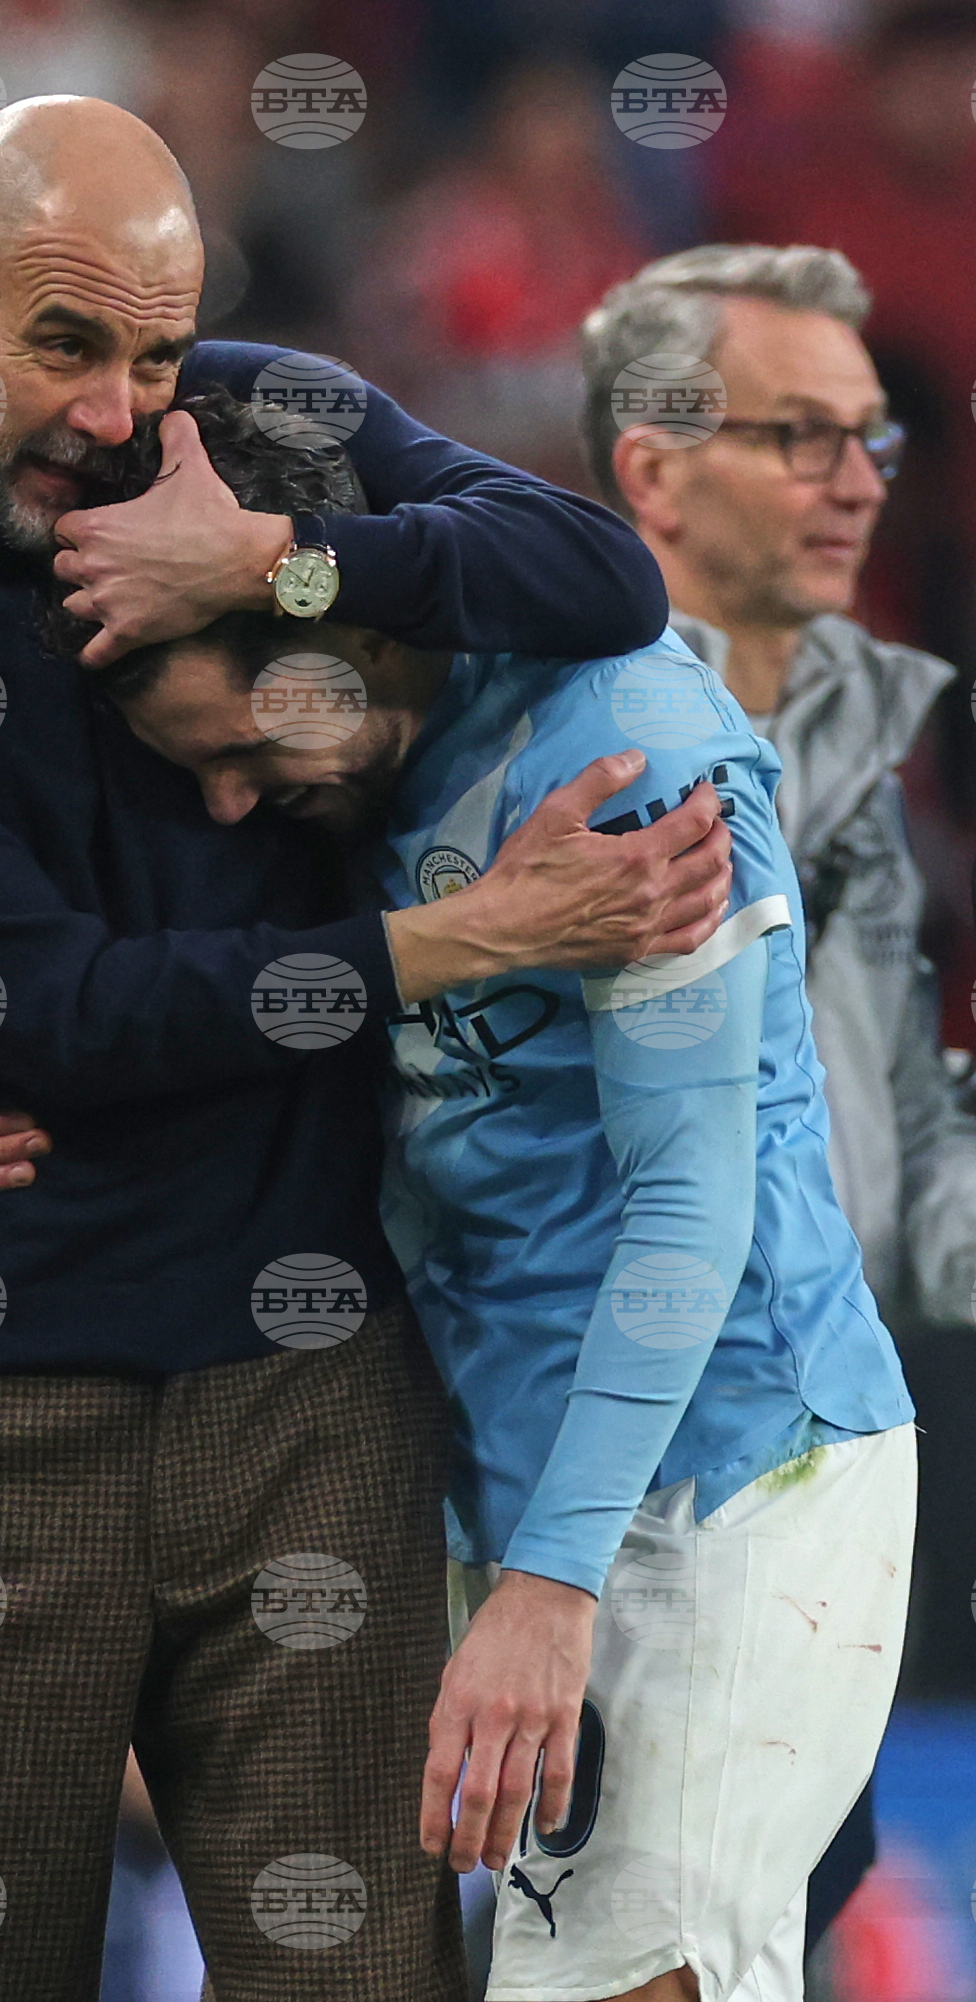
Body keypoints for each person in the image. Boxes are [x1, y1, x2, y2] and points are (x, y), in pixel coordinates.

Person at [0, 97, 728, 2001]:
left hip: (316, 1389)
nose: (118, 410)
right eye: (64, 346)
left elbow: (602, 575)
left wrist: (283, 561)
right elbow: (63, 1015)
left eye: (154, 350)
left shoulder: (246, 433)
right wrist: (472, 934)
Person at [0, 393, 912, 2002]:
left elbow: (687, 1201)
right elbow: (118, 1004)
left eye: (254, 749)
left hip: (735, 1472)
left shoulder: (630, 760)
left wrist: (552, 1584)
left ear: (348, 635)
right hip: (516, 1492)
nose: (238, 803)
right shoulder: (357, 777)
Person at [582, 241, 976, 1928]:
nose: (853, 484)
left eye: (871, 440)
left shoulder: (839, 737)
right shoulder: (576, 744)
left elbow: (884, 1130)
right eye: (798, 436)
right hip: (633, 1511)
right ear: (652, 469)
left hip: (829, 1468)